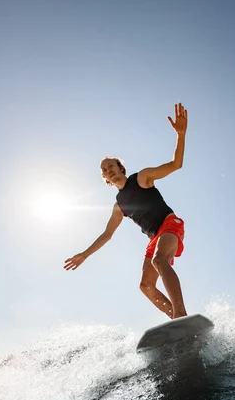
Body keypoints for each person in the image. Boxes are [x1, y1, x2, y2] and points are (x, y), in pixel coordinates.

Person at [64, 103, 188, 320]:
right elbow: (107, 235)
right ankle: (176, 321)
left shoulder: (142, 178)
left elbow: (176, 164)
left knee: (159, 262)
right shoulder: (119, 205)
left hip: (169, 225)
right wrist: (85, 254)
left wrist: (180, 134)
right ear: (105, 179)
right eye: (104, 170)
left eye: (110, 166)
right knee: (146, 286)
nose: (107, 171)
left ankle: (181, 314)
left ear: (120, 168)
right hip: (154, 238)